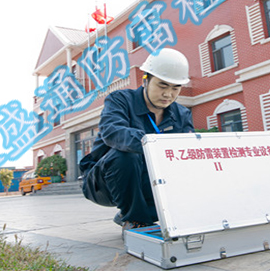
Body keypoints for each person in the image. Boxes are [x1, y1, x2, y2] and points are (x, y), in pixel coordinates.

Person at [79, 48, 194, 236]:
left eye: (175, 88)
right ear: (145, 80)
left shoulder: (181, 114)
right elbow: (112, 132)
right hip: (104, 181)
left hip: (150, 178)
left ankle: (135, 212)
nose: (168, 94)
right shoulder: (120, 100)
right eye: (162, 86)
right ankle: (136, 220)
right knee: (126, 153)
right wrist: (156, 144)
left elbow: (187, 150)